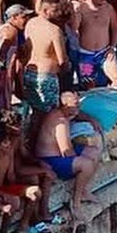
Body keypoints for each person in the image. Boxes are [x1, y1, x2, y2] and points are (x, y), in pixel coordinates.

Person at [33, 91, 102, 220]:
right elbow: (66, 151)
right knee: (87, 164)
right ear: (65, 105)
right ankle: (75, 202)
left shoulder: (64, 115)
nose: (77, 109)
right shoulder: (60, 121)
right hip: (51, 159)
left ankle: (83, 191)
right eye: (75, 105)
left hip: (57, 155)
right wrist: (82, 159)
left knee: (94, 151)